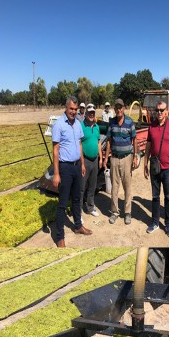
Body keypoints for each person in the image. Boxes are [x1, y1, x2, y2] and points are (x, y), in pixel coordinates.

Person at [52, 96, 92, 247]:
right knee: (62, 203)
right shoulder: (59, 125)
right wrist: (56, 173)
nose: (74, 112)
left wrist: (82, 163)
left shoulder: (78, 124)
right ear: (66, 108)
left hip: (76, 166)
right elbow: (56, 150)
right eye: (71, 109)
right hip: (65, 167)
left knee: (77, 198)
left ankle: (77, 226)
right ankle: (60, 236)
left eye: (76, 109)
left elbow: (80, 144)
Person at [143, 101, 169, 237]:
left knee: (168, 197)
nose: (158, 113)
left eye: (161, 110)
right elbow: (147, 147)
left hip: (168, 169)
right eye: (157, 110)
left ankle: (168, 224)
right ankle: (155, 222)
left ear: (166, 112)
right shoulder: (151, 126)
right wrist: (145, 164)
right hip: (155, 168)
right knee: (155, 196)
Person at [103, 98, 138, 225]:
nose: (118, 109)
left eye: (120, 107)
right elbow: (108, 141)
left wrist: (135, 156)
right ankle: (114, 212)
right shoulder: (111, 122)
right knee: (114, 187)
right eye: (116, 107)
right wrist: (106, 158)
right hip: (114, 158)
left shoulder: (130, 122)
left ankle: (127, 213)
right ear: (114, 109)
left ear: (123, 108)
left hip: (127, 158)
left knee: (127, 186)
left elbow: (135, 140)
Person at [81, 104, 102, 217]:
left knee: (92, 186)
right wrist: (81, 162)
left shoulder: (97, 127)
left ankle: (90, 207)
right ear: (86, 113)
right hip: (85, 160)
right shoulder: (81, 126)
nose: (91, 114)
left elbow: (98, 142)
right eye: (89, 112)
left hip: (95, 160)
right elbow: (78, 144)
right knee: (81, 187)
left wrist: (100, 157)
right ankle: (78, 211)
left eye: (93, 113)